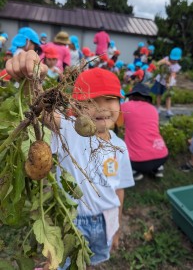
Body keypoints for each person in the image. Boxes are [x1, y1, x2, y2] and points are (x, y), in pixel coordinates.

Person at [6, 51, 135, 268]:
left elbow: (120, 190)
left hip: (107, 218)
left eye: (110, 99)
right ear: (74, 108)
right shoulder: (68, 129)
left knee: (91, 260)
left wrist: (117, 227)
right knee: (65, 263)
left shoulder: (120, 147)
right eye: (91, 101)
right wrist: (29, 77)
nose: (102, 106)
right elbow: (38, 108)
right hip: (70, 219)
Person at [121, 83, 169, 181]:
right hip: (162, 156)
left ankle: (135, 172)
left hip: (138, 162)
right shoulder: (153, 109)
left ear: (132, 95)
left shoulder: (125, 106)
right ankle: (157, 169)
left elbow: (116, 123)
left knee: (118, 146)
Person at [151, 47, 182, 117]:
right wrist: (164, 62)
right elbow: (157, 64)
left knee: (168, 96)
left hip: (169, 82)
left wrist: (169, 83)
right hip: (160, 80)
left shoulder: (177, 66)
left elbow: (173, 75)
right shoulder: (166, 59)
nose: (173, 60)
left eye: (175, 59)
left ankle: (168, 110)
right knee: (159, 95)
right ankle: (158, 108)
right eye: (172, 59)